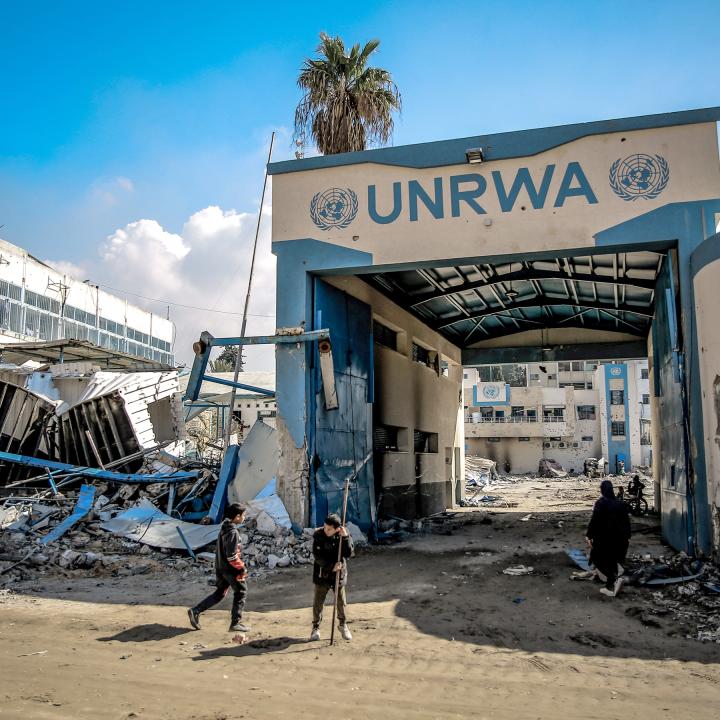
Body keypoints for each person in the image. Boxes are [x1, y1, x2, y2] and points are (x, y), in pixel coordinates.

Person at [188, 503, 250, 632]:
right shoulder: (233, 532)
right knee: (241, 592)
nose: (244, 517)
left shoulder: (224, 527)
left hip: (220, 567)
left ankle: (196, 610)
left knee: (220, 593)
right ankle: (235, 623)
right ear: (237, 517)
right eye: (243, 515)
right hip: (231, 569)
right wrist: (241, 568)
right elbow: (232, 556)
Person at [310, 513, 354, 641]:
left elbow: (349, 553)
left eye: (329, 529)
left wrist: (345, 538)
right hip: (322, 573)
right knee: (318, 602)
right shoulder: (318, 536)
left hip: (339, 574)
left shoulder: (343, 535)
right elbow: (317, 557)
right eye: (325, 527)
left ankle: (343, 624)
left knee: (341, 601)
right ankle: (315, 627)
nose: (326, 530)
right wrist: (330, 566)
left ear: (337, 528)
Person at [586, 480, 631, 597]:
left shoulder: (601, 503)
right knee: (613, 561)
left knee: (597, 559)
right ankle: (610, 586)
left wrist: (589, 535)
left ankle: (614, 580)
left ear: (602, 490)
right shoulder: (620, 503)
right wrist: (627, 537)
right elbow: (627, 522)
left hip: (604, 539)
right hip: (620, 540)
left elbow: (594, 521)